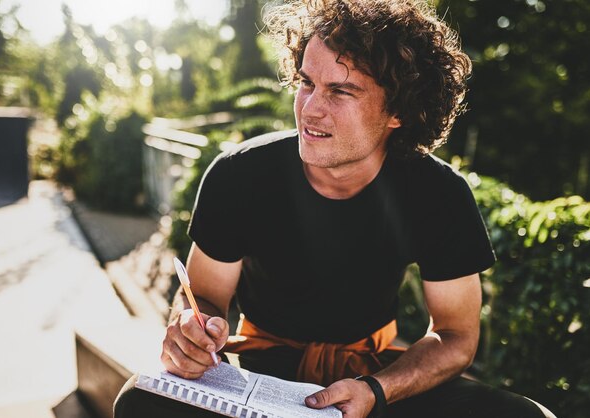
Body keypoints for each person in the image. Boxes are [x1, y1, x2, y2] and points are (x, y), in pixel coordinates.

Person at [114, 0, 556, 417]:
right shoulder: (239, 174)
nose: (310, 109)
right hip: (261, 367)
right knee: (138, 401)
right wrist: (192, 326)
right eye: (306, 82)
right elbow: (206, 295)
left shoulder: (439, 193)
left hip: (373, 373)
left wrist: (375, 390)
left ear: (399, 111)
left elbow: (457, 335)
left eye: (340, 91)